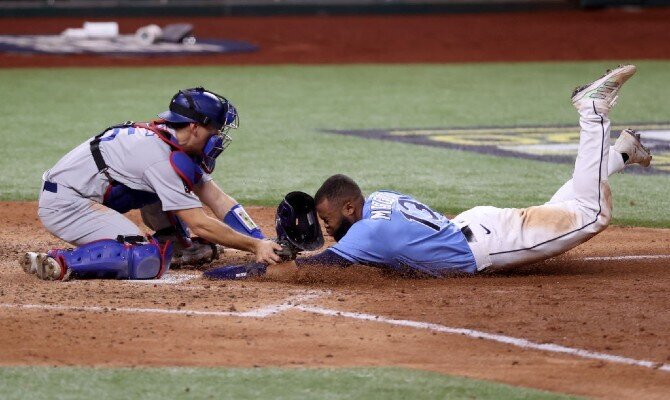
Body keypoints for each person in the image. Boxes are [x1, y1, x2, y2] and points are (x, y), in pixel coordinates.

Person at [207, 64, 652, 279]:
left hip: (490, 242)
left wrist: (245, 266)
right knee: (568, 206)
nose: (327, 228)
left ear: (349, 206)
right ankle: (621, 155)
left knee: (588, 213)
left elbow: (311, 271)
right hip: (479, 227)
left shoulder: (367, 235)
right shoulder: (379, 198)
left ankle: (593, 114)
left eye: (329, 220)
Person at [22, 87, 282, 281]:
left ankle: (176, 243)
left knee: (165, 194)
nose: (218, 136)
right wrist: (254, 247)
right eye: (215, 130)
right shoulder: (159, 158)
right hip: (66, 204)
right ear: (194, 127)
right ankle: (59, 262)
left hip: (88, 194)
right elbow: (199, 222)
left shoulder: (173, 142)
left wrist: (261, 241)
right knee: (145, 257)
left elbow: (218, 199)